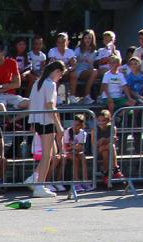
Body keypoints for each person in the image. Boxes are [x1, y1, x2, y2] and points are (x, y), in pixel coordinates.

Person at [28, 60, 65, 198]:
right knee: (47, 155)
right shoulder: (50, 84)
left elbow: (31, 103)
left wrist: (31, 121)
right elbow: (50, 105)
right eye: (61, 74)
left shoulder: (37, 82)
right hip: (46, 121)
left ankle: (34, 179)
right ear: (56, 71)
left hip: (38, 120)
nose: (60, 77)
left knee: (52, 152)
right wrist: (59, 126)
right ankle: (39, 185)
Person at [0, 44, 29, 111]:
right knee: (1, 106)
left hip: (12, 96)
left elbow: (18, 84)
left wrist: (1, 86)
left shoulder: (12, 63)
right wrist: (10, 86)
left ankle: (12, 120)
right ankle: (8, 120)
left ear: (3, 52)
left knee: (31, 103)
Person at [94, 109, 126, 187]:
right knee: (110, 146)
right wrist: (107, 140)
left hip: (107, 149)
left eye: (104, 120)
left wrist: (104, 140)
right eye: (99, 120)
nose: (101, 123)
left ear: (108, 120)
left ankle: (106, 173)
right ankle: (116, 169)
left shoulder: (112, 128)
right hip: (97, 150)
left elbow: (113, 140)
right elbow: (95, 144)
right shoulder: (95, 129)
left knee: (107, 150)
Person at [47, 33, 76, 104]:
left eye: (63, 42)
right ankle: (57, 97)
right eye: (59, 42)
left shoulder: (70, 52)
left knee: (74, 74)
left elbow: (74, 65)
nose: (61, 44)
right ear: (56, 43)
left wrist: (69, 69)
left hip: (67, 72)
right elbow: (53, 64)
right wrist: (62, 70)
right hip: (56, 72)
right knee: (56, 74)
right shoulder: (52, 51)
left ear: (67, 42)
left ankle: (72, 96)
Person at [60, 114, 89, 187]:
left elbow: (81, 147)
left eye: (78, 125)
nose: (75, 127)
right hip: (67, 152)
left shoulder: (83, 133)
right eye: (74, 124)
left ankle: (85, 180)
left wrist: (73, 147)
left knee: (83, 158)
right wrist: (74, 147)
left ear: (82, 125)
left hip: (76, 151)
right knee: (75, 159)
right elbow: (66, 147)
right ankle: (76, 181)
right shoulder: (67, 131)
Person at [71, 30, 98, 104]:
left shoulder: (95, 52)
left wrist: (90, 62)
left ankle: (87, 95)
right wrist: (80, 59)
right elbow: (73, 61)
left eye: (89, 38)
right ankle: (83, 95)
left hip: (88, 72)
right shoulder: (78, 49)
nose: (87, 40)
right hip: (78, 71)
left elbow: (93, 67)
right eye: (86, 38)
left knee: (95, 71)